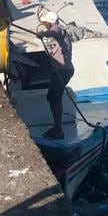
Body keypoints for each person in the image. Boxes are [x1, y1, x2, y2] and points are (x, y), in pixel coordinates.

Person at [35, 9, 74, 140]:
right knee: (52, 97)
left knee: (54, 97)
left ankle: (58, 130)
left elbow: (54, 32)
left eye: (46, 23)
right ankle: (57, 128)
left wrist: (44, 33)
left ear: (49, 23)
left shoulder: (58, 29)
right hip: (60, 70)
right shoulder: (56, 30)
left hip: (64, 71)